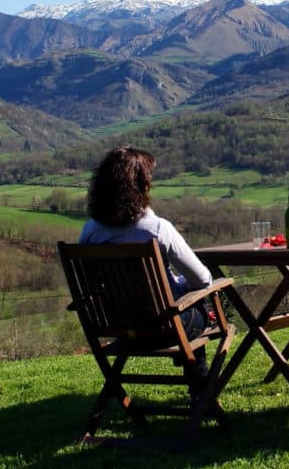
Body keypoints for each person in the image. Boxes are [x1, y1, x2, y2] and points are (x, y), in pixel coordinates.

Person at [78, 145, 213, 398]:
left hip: (120, 330)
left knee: (186, 308)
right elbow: (203, 279)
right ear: (142, 186)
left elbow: (89, 286)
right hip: (166, 329)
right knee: (198, 307)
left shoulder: (90, 232)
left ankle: (198, 388)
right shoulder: (157, 229)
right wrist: (183, 286)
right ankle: (200, 392)